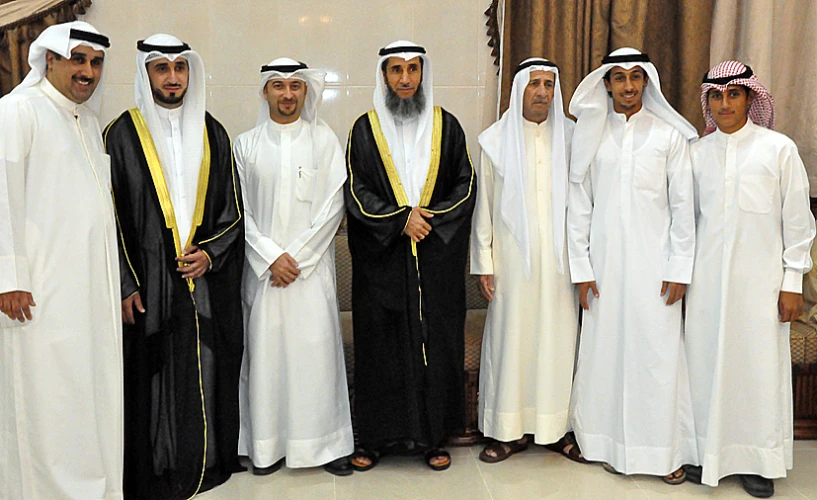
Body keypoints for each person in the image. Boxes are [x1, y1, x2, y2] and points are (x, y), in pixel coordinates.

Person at [104, 34, 245, 499]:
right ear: (146, 74)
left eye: (180, 68)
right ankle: (159, 466)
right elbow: (111, 216)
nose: (172, 77)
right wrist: (125, 283)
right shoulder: (120, 134)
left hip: (202, 276)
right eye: (162, 68)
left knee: (205, 363)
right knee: (156, 370)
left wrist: (211, 252)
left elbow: (233, 211)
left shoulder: (214, 132)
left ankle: (206, 460)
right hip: (148, 278)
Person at [0, 21, 124, 500]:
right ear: (49, 59)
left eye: (95, 62)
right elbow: (3, 198)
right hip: (38, 295)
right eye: (78, 59)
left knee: (86, 396)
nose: (87, 71)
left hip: (89, 292)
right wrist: (9, 277)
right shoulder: (17, 112)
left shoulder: (86, 120)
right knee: (46, 399)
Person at [566, 47, 698, 484]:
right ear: (605, 83)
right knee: (605, 355)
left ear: (647, 83)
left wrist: (680, 268)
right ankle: (604, 443)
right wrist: (581, 268)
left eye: (635, 77)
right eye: (618, 78)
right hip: (602, 270)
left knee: (657, 357)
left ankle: (664, 452)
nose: (627, 86)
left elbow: (683, 208)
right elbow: (579, 206)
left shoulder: (668, 137)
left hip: (655, 270)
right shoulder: (590, 135)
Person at [684, 61, 815, 498]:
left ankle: (757, 460)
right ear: (709, 102)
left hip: (761, 286)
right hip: (704, 286)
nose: (725, 104)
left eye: (734, 95)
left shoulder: (779, 150)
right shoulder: (695, 154)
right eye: (717, 96)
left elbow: (798, 223)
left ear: (750, 98)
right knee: (702, 366)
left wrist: (792, 281)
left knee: (758, 371)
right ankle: (704, 452)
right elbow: (685, 224)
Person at [344, 40, 476, 471]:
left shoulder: (447, 126)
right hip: (381, 266)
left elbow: (465, 184)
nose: (404, 79)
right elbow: (355, 189)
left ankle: (434, 438)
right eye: (396, 70)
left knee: (435, 348)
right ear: (384, 76)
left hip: (435, 263)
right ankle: (375, 440)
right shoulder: (363, 129)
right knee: (380, 349)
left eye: (412, 70)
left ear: (423, 74)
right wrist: (399, 220)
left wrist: (429, 219)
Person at [234, 58, 353, 477]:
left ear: (306, 92)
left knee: (316, 358)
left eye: (295, 87)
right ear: (264, 91)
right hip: (264, 276)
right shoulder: (244, 145)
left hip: (310, 274)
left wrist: (296, 258)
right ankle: (265, 447)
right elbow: (238, 212)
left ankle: (327, 445)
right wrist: (270, 257)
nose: (288, 94)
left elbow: (334, 206)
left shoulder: (325, 141)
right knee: (266, 361)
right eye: (279, 86)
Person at [471, 58, 584, 464]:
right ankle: (507, 431)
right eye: (534, 83)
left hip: (560, 266)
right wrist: (484, 261)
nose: (542, 92)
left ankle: (554, 429)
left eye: (549, 84)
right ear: (519, 88)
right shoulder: (494, 140)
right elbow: (483, 207)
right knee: (511, 341)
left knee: (558, 341)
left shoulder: (574, 137)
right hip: (511, 264)